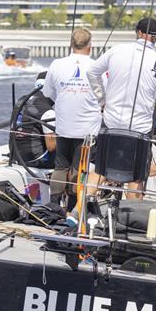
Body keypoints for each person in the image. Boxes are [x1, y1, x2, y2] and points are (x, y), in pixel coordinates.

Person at [87, 17, 156, 198]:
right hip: (139, 129)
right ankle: (131, 221)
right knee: (135, 177)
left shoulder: (116, 51)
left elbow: (92, 72)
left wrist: (102, 100)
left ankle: (79, 212)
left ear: (138, 33)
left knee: (101, 170)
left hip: (111, 122)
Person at [42, 28, 103, 207]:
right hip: (87, 129)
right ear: (90, 46)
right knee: (79, 168)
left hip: (64, 125)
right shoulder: (96, 66)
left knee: (60, 166)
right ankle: (73, 206)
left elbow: (48, 93)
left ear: (71, 44)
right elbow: (104, 96)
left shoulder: (57, 64)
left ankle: (54, 205)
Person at [12, 72, 56, 169]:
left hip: (16, 156)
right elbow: (52, 146)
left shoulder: (21, 100)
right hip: (37, 161)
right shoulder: (47, 111)